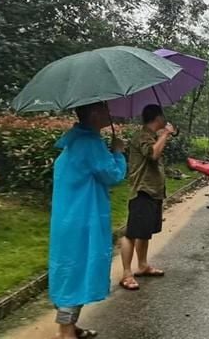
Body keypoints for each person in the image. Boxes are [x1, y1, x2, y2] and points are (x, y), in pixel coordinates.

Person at [49, 102, 127, 339]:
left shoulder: (75, 141)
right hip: (83, 219)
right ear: (94, 114)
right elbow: (113, 175)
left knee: (71, 270)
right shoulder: (90, 143)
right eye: (105, 110)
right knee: (75, 273)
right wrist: (118, 152)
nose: (109, 114)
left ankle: (71, 326)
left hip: (70, 217)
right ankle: (65, 331)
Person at [120, 104, 175, 290]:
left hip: (153, 191)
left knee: (145, 232)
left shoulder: (151, 136)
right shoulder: (142, 136)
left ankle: (142, 265)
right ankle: (126, 274)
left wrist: (162, 136)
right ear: (157, 118)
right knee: (132, 233)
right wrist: (165, 134)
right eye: (163, 117)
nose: (165, 120)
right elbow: (153, 154)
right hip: (142, 191)